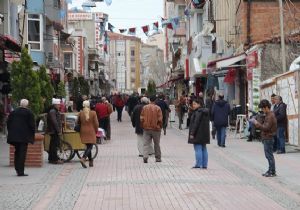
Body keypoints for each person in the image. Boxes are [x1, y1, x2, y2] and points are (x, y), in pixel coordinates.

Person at [7, 99, 35, 176]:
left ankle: (17, 168)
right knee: (22, 154)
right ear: (27, 105)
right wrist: (32, 135)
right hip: (24, 137)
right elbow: (32, 125)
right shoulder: (29, 113)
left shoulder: (13, 112)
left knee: (17, 152)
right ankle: (20, 171)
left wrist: (11, 132)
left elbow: (8, 123)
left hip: (15, 137)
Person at [252, 99, 277, 177]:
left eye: (262, 108)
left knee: (269, 155)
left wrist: (256, 123)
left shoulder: (270, 116)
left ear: (266, 107)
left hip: (268, 137)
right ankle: (271, 170)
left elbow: (266, 128)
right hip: (267, 137)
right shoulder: (269, 115)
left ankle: (272, 171)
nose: (262, 110)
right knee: (269, 155)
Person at [188, 98, 210, 169]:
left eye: (195, 104)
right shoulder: (205, 111)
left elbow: (196, 123)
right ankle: (204, 164)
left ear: (199, 104)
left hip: (198, 133)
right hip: (204, 134)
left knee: (198, 148)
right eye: (193, 104)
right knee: (204, 148)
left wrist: (192, 133)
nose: (193, 105)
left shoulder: (198, 112)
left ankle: (198, 164)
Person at [140, 95, 163, 163]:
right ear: (155, 100)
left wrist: (143, 125)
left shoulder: (145, 107)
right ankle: (158, 158)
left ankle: (145, 156)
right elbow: (160, 119)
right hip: (156, 129)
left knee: (146, 143)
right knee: (157, 144)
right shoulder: (158, 108)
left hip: (146, 128)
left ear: (149, 100)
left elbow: (141, 118)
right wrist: (159, 126)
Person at [78, 100, 99, 168]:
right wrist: (96, 131)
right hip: (91, 131)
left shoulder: (80, 113)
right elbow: (96, 124)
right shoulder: (93, 113)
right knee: (90, 146)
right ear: (89, 105)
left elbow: (78, 122)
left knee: (88, 146)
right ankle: (83, 158)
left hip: (83, 131)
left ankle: (90, 161)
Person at [47, 98, 64, 164]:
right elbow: (54, 122)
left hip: (53, 130)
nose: (59, 106)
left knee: (52, 145)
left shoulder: (54, 111)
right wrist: (58, 130)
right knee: (54, 145)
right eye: (58, 104)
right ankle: (54, 159)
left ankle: (52, 158)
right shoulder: (52, 111)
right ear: (55, 105)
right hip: (54, 131)